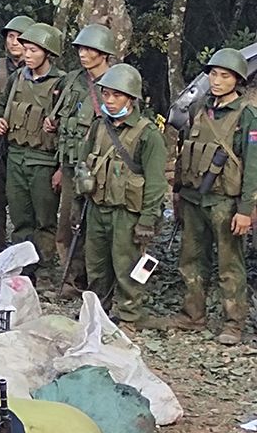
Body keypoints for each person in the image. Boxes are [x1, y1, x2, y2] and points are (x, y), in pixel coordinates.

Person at [167, 48, 257, 345]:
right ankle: (193, 315)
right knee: (191, 258)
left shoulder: (247, 116)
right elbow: (185, 152)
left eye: (225, 75)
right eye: (213, 74)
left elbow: (253, 166)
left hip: (224, 201)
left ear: (238, 80)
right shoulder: (199, 108)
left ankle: (234, 323)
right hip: (194, 198)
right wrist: (178, 191)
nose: (216, 81)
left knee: (230, 265)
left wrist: (246, 209)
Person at [76, 64, 165, 330]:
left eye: (117, 95)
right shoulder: (98, 127)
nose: (111, 101)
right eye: (106, 95)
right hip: (97, 207)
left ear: (131, 98)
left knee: (128, 267)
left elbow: (156, 183)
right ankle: (97, 312)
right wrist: (78, 203)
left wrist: (147, 220)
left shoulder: (148, 134)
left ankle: (129, 316)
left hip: (127, 213)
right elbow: (83, 167)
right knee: (96, 265)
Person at [0, 22, 68, 278]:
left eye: (34, 50)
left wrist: (60, 164)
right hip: (16, 155)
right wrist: (1, 122)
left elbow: (70, 128)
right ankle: (23, 267)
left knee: (44, 219)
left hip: (44, 159)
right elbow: (1, 107)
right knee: (19, 215)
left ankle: (45, 269)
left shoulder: (62, 84)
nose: (27, 54)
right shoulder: (16, 79)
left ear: (48, 53)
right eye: (25, 49)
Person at [53, 24, 118, 292]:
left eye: (90, 49)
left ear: (103, 54)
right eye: (80, 48)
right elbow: (60, 124)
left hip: (102, 168)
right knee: (68, 223)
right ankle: (73, 279)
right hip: (71, 165)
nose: (83, 54)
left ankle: (101, 284)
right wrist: (60, 165)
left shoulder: (116, 84)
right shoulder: (71, 81)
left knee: (98, 229)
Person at [0, 15, 32, 250]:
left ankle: (25, 248)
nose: (14, 43)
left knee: (24, 199)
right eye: (10, 37)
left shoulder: (38, 72)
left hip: (25, 146)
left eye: (20, 38)